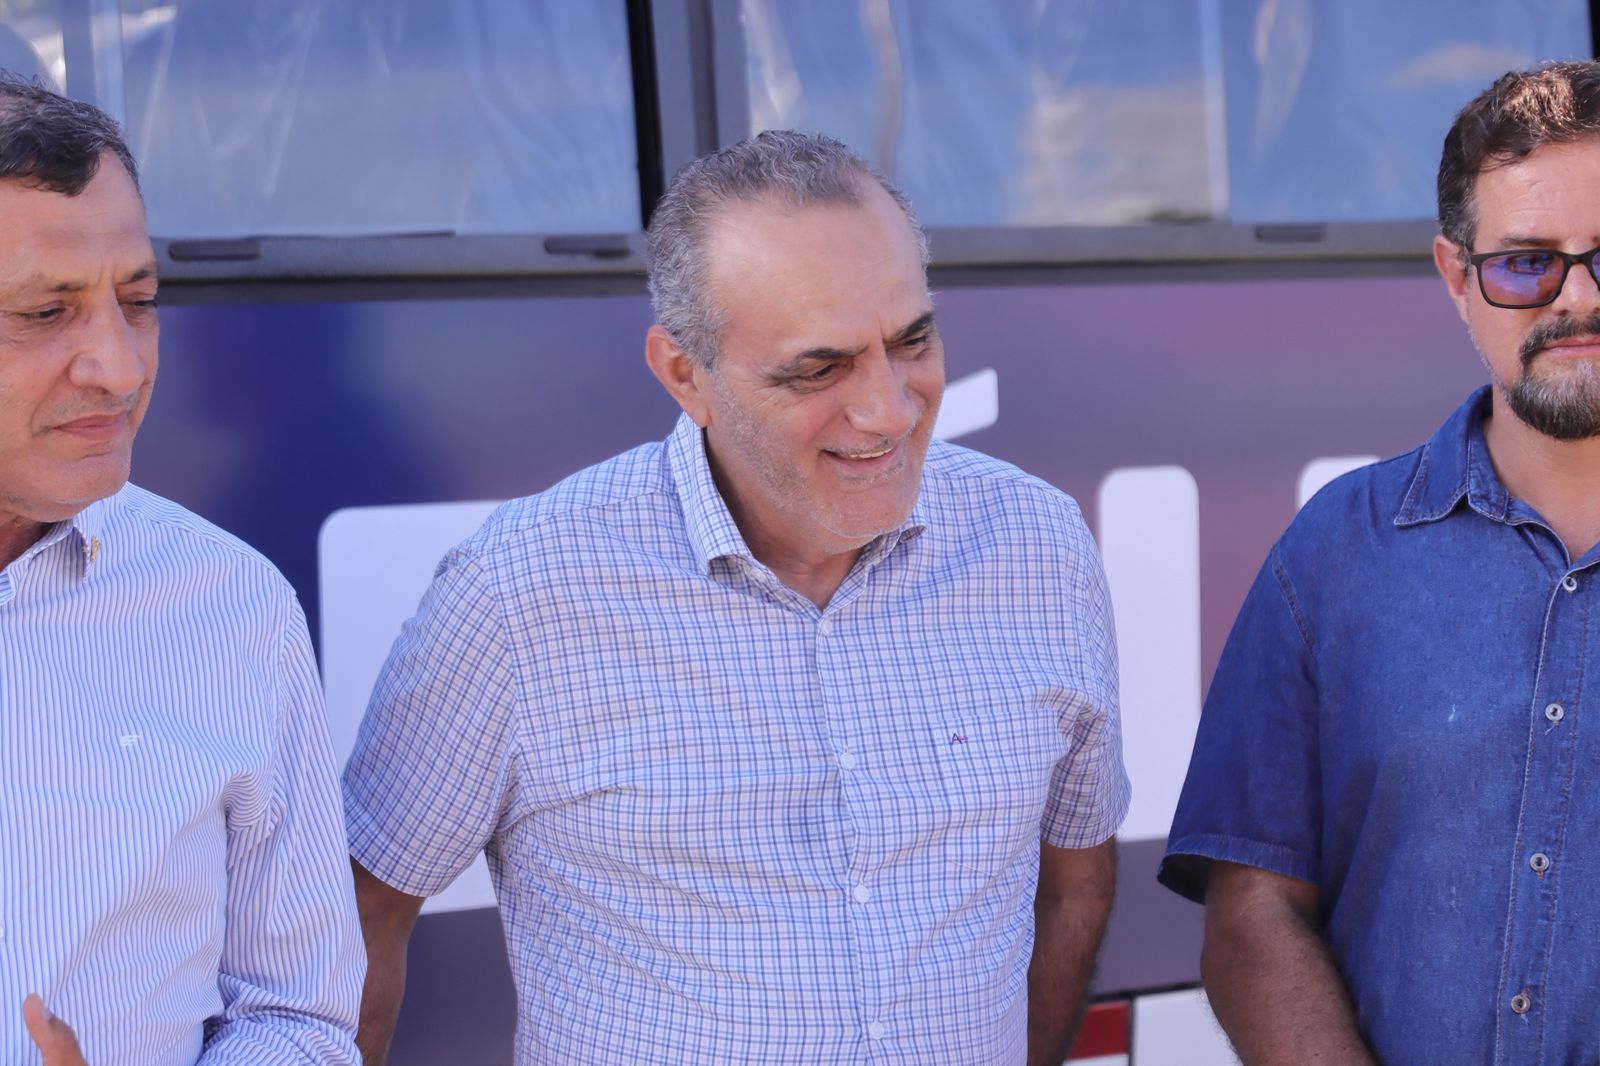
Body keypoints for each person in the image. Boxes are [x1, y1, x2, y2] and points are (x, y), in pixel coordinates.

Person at [344, 130, 1130, 1065]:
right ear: (686, 375)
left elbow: (1074, 876)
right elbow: (363, 914)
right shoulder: (522, 593)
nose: (889, 409)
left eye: (911, 341)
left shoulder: (1037, 547)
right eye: (820, 368)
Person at [1160, 60, 1600, 1065]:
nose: (1576, 298)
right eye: (1526, 264)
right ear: (1455, 276)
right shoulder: (1334, 557)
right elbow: (1252, 913)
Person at [0, 73, 363, 1064]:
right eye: (46, 311)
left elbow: (296, 1017)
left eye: (139, 301)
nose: (120, 369)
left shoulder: (232, 605)